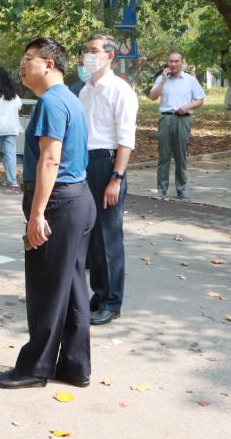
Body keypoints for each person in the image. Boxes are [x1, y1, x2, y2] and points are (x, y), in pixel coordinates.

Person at [0, 38, 94, 389]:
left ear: (49, 64)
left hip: (58, 202)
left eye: (29, 58)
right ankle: (74, 365)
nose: (22, 65)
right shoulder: (69, 98)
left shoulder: (51, 101)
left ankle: (36, 367)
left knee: (46, 288)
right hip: (77, 198)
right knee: (73, 287)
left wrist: (37, 214)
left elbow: (50, 160)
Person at [78, 35, 138, 325]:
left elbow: (126, 140)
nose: (88, 56)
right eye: (86, 51)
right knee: (92, 235)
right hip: (86, 162)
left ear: (110, 56)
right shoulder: (85, 90)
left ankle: (112, 301)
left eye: (94, 51)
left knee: (109, 236)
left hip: (107, 163)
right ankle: (100, 293)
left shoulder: (120, 90)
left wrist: (116, 177)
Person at [148, 51, 205, 200]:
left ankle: (182, 189)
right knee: (164, 155)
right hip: (165, 119)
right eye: (170, 61)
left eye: (176, 61)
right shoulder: (162, 78)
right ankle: (161, 190)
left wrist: (187, 107)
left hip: (182, 119)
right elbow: (153, 96)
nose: (173, 64)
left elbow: (200, 100)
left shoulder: (190, 80)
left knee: (181, 156)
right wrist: (162, 81)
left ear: (182, 63)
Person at [0, 66, 22, 189]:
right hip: (12, 127)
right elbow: (19, 107)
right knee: (10, 154)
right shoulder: (13, 94)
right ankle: (11, 180)